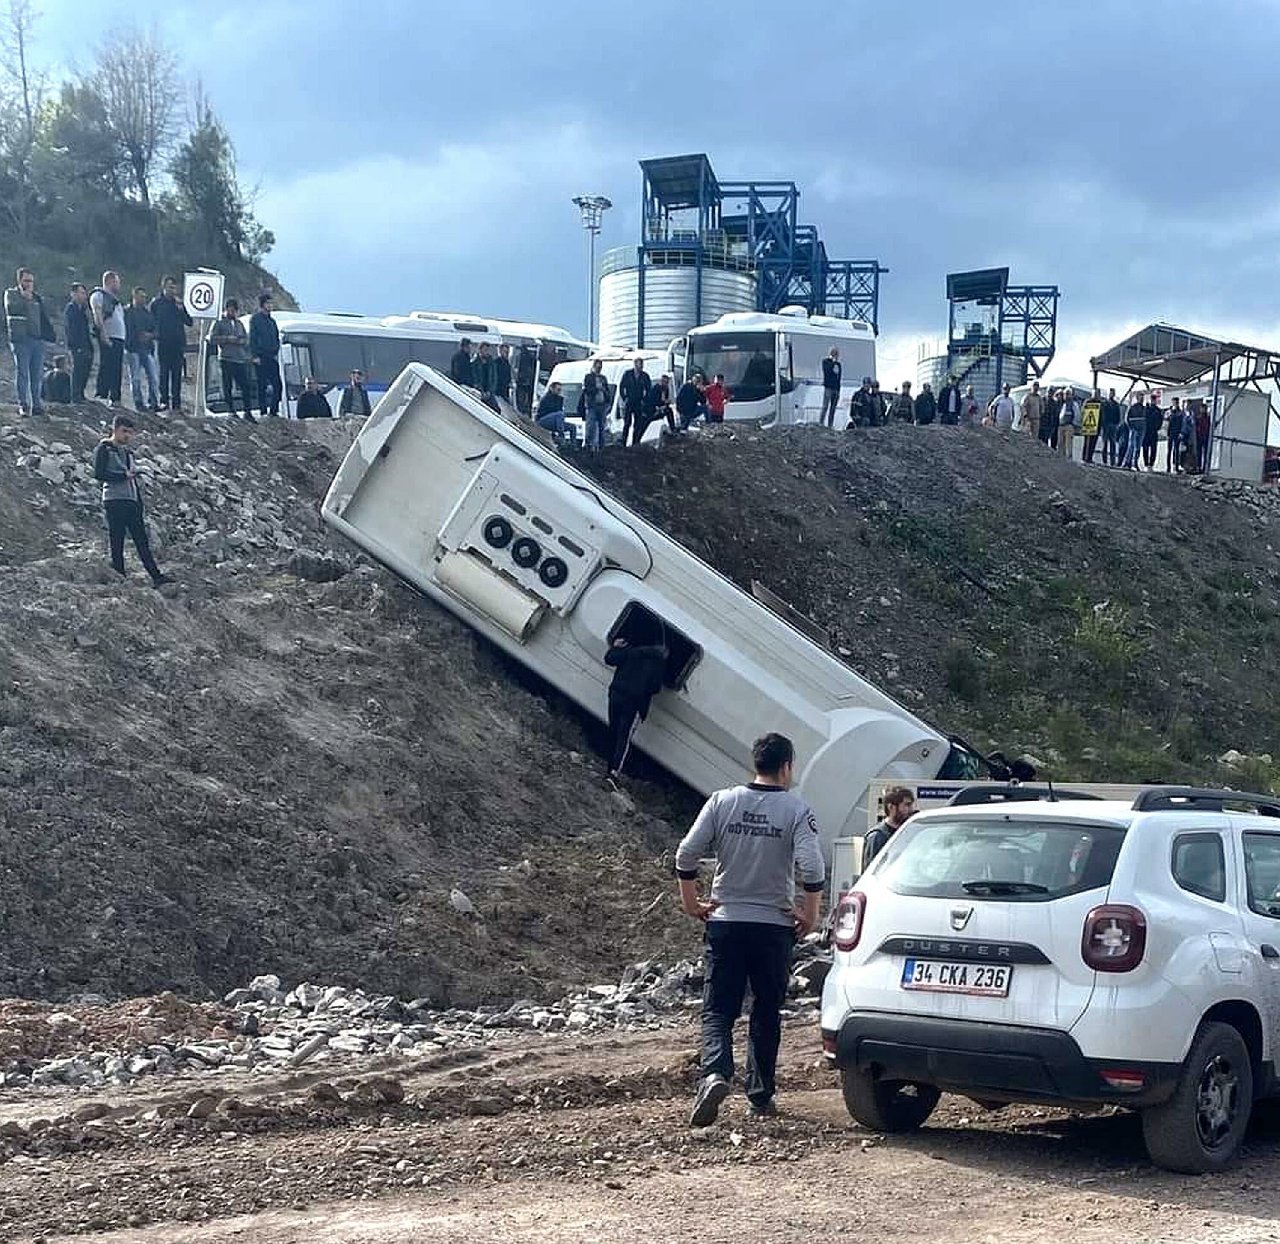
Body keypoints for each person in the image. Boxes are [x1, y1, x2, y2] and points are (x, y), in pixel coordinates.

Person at [676, 732, 825, 1125]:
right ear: (787, 767)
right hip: (773, 927)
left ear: (754, 764)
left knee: (718, 1008)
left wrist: (692, 903)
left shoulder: (722, 801)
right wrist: (809, 913)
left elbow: (686, 853)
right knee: (765, 1011)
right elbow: (812, 868)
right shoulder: (797, 810)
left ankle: (714, 1073)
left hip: (726, 921)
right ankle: (760, 1096)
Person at [92, 412, 170, 587]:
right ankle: (120, 576)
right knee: (117, 540)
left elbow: (132, 477)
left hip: (131, 500)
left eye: (130, 432)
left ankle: (156, 576)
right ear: (115, 430)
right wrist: (122, 475)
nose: (127, 435)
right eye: (124, 431)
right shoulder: (104, 448)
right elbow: (99, 473)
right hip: (114, 499)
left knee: (141, 540)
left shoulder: (128, 452)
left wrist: (138, 501)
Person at [603, 629, 667, 779]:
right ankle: (614, 772)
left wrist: (616, 646)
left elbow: (609, 659)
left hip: (616, 695)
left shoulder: (630, 651)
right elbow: (655, 688)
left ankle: (608, 765)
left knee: (613, 729)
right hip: (635, 703)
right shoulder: (658, 663)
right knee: (623, 737)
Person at [5, 267, 56, 416]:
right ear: (19, 280)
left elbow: (42, 316)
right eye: (26, 280)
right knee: (23, 373)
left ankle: (37, 404)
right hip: (21, 340)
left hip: (37, 340)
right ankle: (24, 404)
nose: (29, 284)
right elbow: (11, 309)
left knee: (36, 374)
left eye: (31, 281)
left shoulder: (36, 297)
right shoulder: (11, 294)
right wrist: (25, 299)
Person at [150, 276, 192, 413]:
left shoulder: (178, 304)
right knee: (163, 374)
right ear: (163, 287)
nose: (172, 290)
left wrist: (181, 309)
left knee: (177, 375)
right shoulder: (156, 303)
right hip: (163, 344)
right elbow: (150, 321)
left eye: (174, 287)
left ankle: (177, 404)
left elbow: (189, 322)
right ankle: (164, 402)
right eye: (169, 287)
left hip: (178, 344)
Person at [209, 298, 253, 422]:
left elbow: (245, 339)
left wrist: (240, 341)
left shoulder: (239, 324)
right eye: (231, 310)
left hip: (239, 359)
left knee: (245, 386)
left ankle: (247, 411)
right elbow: (213, 339)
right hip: (226, 358)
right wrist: (228, 338)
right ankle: (230, 410)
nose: (233, 313)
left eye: (235, 311)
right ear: (226, 309)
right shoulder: (219, 323)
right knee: (227, 385)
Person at [90, 271, 127, 408]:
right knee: (106, 365)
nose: (119, 285)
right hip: (108, 336)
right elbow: (97, 315)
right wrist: (103, 334)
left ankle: (115, 397)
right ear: (110, 281)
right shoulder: (98, 295)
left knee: (116, 367)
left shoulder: (115, 300)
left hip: (118, 338)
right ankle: (102, 394)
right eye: (117, 282)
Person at [124, 286, 160, 412]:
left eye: (145, 296)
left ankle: (154, 402)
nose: (144, 299)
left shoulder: (148, 314)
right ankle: (138, 402)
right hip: (133, 349)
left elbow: (156, 330)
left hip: (147, 349)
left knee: (153, 378)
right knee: (135, 378)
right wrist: (132, 340)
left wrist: (149, 336)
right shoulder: (127, 312)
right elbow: (125, 330)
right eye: (141, 296)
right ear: (134, 297)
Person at [862, 786, 916, 867]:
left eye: (911, 805)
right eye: (907, 805)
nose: (911, 810)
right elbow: (872, 871)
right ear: (891, 807)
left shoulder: (908, 832)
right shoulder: (878, 836)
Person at [249, 292, 282, 418]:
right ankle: (263, 412)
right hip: (260, 356)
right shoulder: (255, 319)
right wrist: (255, 356)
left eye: (271, 303)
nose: (270, 305)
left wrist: (276, 349)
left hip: (272, 356)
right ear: (263, 304)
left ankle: (273, 411)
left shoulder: (272, 322)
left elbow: (276, 337)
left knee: (278, 385)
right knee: (261, 385)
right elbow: (252, 338)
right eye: (268, 303)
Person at [63, 282, 94, 404]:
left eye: (84, 293)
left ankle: (81, 394)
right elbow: (70, 329)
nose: (84, 296)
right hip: (77, 345)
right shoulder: (71, 309)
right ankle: (75, 396)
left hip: (86, 344)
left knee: (86, 369)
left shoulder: (82, 311)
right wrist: (75, 345)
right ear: (74, 294)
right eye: (81, 293)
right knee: (78, 370)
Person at [618, 356, 651, 446]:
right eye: (638, 365)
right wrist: (624, 398)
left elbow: (648, 389)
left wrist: (644, 400)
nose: (640, 367)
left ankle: (635, 442)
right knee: (627, 423)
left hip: (639, 402)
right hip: (629, 401)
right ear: (635, 365)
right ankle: (623, 442)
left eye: (641, 365)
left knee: (637, 424)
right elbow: (621, 387)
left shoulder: (645, 376)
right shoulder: (627, 374)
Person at [582, 358, 611, 451]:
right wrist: (596, 388)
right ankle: (588, 445)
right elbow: (586, 391)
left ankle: (601, 447)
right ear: (594, 366)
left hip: (602, 405)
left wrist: (607, 399)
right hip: (592, 405)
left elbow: (607, 390)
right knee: (591, 426)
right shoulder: (588, 377)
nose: (599, 369)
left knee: (602, 427)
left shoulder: (603, 378)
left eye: (600, 367)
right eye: (597, 367)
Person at [638, 372, 676, 441]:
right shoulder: (655, 389)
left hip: (659, 410)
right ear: (661, 381)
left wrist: (665, 404)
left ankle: (673, 429)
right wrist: (659, 406)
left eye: (667, 382)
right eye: (664, 382)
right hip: (650, 411)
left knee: (669, 411)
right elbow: (652, 401)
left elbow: (664, 402)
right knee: (643, 425)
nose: (666, 384)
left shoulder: (666, 390)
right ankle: (637, 439)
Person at [1123, 392, 1146, 470]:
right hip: (1134, 430)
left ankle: (1135, 463)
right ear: (1137, 398)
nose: (1142, 399)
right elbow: (1127, 419)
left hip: (1141, 430)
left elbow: (1146, 420)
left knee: (1138, 448)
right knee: (1131, 446)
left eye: (1143, 397)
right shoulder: (1132, 407)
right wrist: (1131, 427)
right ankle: (1127, 462)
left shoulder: (1144, 408)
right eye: (1140, 397)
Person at [1100, 388, 1123, 467]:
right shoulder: (1104, 403)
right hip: (1105, 425)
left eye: (1113, 393)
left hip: (1113, 426)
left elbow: (1118, 415)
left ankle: (1112, 462)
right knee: (1104, 444)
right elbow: (1101, 414)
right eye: (1110, 393)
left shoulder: (1116, 404)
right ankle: (1104, 461)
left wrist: (1116, 424)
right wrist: (1103, 424)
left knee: (1112, 444)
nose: (1111, 394)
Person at [820, 347, 842, 427]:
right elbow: (827, 371)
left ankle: (830, 425)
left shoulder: (838, 365)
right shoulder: (825, 362)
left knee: (833, 409)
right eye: (835, 353)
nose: (836, 355)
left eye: (837, 354)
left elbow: (839, 377)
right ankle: (821, 423)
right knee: (825, 406)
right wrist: (832, 362)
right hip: (828, 388)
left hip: (836, 389)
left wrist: (839, 390)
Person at [1142, 393, 1163, 471]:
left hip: (1154, 431)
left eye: (1154, 400)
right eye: (1152, 400)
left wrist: (1157, 428)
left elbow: (1160, 421)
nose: (1153, 401)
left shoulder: (1158, 410)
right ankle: (1146, 464)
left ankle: (1151, 464)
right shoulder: (1146, 409)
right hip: (1146, 431)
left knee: (1153, 449)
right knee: (1145, 448)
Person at [1080, 390, 1102, 463]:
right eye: (1095, 394)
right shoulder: (1088, 402)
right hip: (1088, 425)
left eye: (1098, 394)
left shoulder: (1100, 403)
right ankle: (1084, 457)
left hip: (1097, 426)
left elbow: (1102, 415)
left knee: (1093, 443)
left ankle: (1089, 458)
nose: (1096, 395)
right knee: (1087, 442)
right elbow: (1083, 411)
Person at [1058, 388, 1080, 460]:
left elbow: (1077, 415)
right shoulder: (1062, 403)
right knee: (1060, 444)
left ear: (1071, 395)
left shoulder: (1073, 404)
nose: (1066, 396)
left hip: (1069, 426)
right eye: (1065, 394)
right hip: (1061, 426)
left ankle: (1069, 459)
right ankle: (1061, 458)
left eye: (1068, 394)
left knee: (1068, 444)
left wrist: (1074, 425)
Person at [1166, 396, 1185, 473]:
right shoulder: (1169, 411)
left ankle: (1176, 466)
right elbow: (1166, 421)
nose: (1175, 404)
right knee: (1169, 450)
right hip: (1170, 433)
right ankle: (1168, 467)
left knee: (1176, 451)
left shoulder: (1180, 412)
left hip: (1177, 433)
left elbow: (1182, 423)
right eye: (1174, 402)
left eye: (1176, 402)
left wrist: (1181, 432)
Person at [1195, 400, 1211, 473]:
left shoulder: (1208, 418)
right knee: (1199, 453)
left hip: (1206, 437)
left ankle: (1205, 467)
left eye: (1204, 409)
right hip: (1199, 437)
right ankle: (1198, 467)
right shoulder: (1198, 418)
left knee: (1205, 453)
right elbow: (1195, 428)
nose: (1203, 410)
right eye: (1202, 409)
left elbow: (1209, 427)